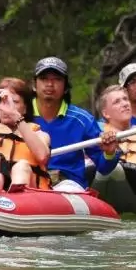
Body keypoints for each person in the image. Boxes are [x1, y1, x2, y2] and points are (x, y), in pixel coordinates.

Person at [31, 56, 120, 192]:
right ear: (34, 85)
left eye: (57, 79)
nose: (50, 84)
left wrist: (109, 153)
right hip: (30, 180)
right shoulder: (20, 116)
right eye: (44, 79)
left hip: (68, 184)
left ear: (66, 87)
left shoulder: (82, 119)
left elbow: (104, 168)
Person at [0, 78, 52, 190]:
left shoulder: (40, 135)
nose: (7, 106)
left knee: (21, 167)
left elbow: (43, 156)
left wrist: (15, 115)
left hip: (30, 192)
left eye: (14, 102)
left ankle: (17, 197)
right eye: (2, 101)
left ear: (25, 108)